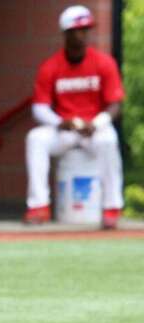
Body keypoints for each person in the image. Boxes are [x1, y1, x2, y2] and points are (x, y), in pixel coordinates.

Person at [24, 5, 125, 229]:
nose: (83, 35)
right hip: (65, 129)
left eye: (86, 29)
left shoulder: (103, 62)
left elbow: (115, 104)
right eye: (78, 30)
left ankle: (111, 207)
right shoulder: (50, 66)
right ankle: (38, 206)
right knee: (36, 138)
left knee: (109, 139)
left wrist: (96, 123)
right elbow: (39, 108)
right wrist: (60, 122)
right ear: (66, 33)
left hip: (93, 129)